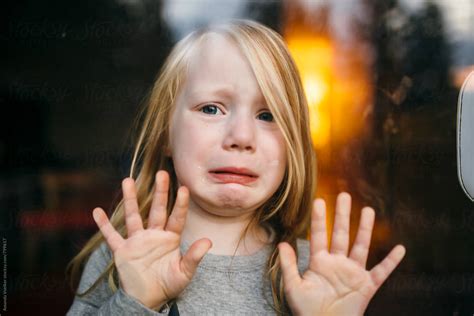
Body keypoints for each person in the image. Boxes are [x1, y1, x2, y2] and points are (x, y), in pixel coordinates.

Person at [66, 19, 406, 315]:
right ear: (165, 133)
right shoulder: (123, 258)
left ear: (292, 147)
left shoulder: (313, 272)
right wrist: (135, 302)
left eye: (268, 115)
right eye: (211, 109)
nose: (241, 136)